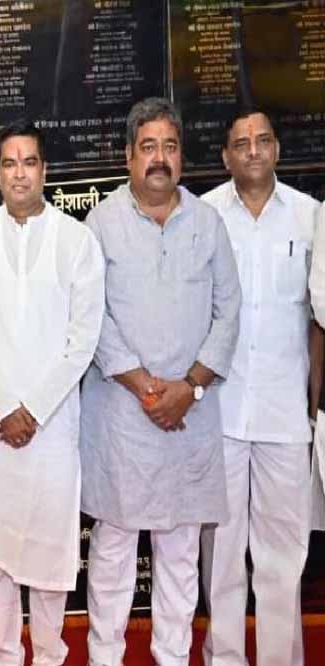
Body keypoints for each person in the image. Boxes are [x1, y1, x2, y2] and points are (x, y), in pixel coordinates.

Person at [80, 97, 241, 666]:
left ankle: (172, 657)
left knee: (179, 552)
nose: (159, 158)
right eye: (148, 147)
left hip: (189, 417)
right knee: (114, 550)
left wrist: (189, 388)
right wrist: (145, 385)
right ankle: (105, 657)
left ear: (182, 157)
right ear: (128, 156)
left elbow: (229, 312)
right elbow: (90, 316)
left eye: (169, 147)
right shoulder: (99, 225)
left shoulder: (208, 223)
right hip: (122, 417)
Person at [0, 120, 105, 666]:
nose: (19, 174)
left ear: (44, 170)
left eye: (29, 162)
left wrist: (31, 409)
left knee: (48, 551)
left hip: (50, 425)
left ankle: (51, 654)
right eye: (9, 163)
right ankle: (6, 653)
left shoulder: (77, 241)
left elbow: (82, 340)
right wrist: (4, 406)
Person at [200, 108, 322, 666]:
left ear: (277, 149)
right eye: (242, 142)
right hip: (219, 413)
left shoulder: (309, 217)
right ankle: (224, 657)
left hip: (284, 413)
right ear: (226, 156)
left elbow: (318, 320)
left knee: (282, 557)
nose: (253, 150)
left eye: (264, 140)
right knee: (221, 554)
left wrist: (312, 406)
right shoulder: (203, 215)